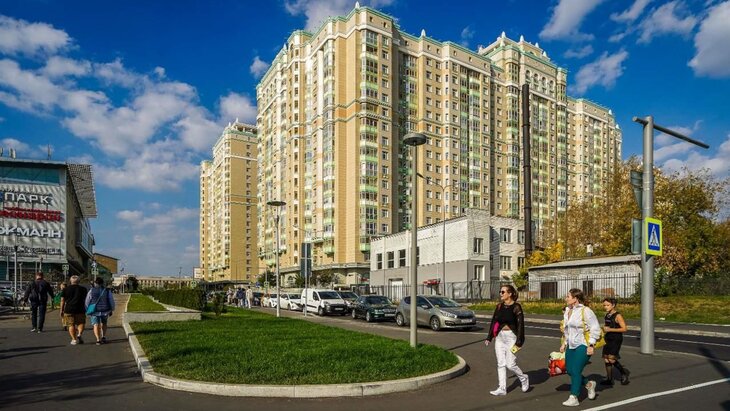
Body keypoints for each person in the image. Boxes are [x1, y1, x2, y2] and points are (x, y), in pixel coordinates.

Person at [484, 284, 529, 396]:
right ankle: (502, 388)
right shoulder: (499, 306)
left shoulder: (516, 307)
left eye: (503, 292)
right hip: (500, 337)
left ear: (510, 294)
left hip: (511, 338)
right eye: (500, 291)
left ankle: (523, 378)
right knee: (501, 364)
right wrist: (489, 337)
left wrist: (519, 342)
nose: (501, 294)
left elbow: (520, 325)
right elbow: (494, 322)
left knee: (510, 364)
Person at [560, 288, 602, 407]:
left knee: (576, 370)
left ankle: (574, 397)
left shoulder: (586, 311)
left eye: (568, 296)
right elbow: (567, 330)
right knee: (569, 370)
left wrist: (591, 344)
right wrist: (564, 343)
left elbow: (595, 328)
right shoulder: (567, 310)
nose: (566, 298)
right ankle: (589, 384)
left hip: (583, 344)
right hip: (571, 344)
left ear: (575, 298)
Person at [601, 297, 630, 386]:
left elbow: (624, 329)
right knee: (606, 359)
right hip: (608, 338)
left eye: (607, 305)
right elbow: (607, 326)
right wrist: (603, 330)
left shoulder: (618, 316)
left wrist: (610, 329)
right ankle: (609, 379)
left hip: (616, 339)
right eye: (604, 305)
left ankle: (623, 374)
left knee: (612, 359)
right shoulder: (607, 315)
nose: (605, 307)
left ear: (613, 305)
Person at [85, 277, 115, 345]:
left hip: (94, 311)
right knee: (104, 323)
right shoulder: (107, 291)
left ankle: (98, 339)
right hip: (105, 310)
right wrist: (112, 309)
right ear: (102, 283)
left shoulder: (91, 290)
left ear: (95, 283)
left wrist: (87, 309)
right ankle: (103, 336)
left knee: (95, 325)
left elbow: (87, 300)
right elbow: (111, 300)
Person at [60, 275, 88, 345]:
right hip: (80, 309)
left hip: (69, 309)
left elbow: (62, 300)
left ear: (70, 281)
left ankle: (74, 339)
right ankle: (79, 334)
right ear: (79, 281)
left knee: (71, 325)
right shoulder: (83, 289)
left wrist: (61, 310)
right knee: (81, 323)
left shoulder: (65, 289)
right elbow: (86, 299)